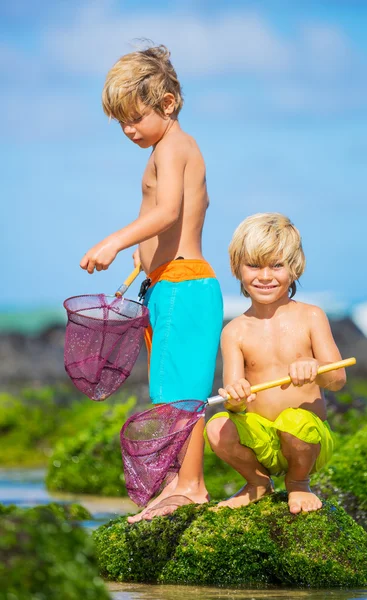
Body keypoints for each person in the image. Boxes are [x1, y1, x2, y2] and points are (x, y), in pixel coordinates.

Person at [80, 44, 223, 521]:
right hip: (167, 284)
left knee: (182, 392)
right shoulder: (166, 148)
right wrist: (144, 263)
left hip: (185, 283)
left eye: (135, 118)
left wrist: (115, 242)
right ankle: (181, 483)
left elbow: (169, 213)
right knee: (168, 389)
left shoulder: (176, 146)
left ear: (167, 103)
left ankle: (192, 486)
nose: (128, 130)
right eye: (120, 122)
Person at [205, 213, 346, 514]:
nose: (265, 276)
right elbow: (234, 398)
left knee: (294, 423)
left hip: (306, 439)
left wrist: (315, 369)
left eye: (276, 265)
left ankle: (298, 483)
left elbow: (338, 379)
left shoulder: (311, 316)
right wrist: (235, 399)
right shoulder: (234, 331)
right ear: (237, 269)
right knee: (217, 429)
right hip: (260, 440)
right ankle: (257, 483)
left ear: (294, 269)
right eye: (254, 265)